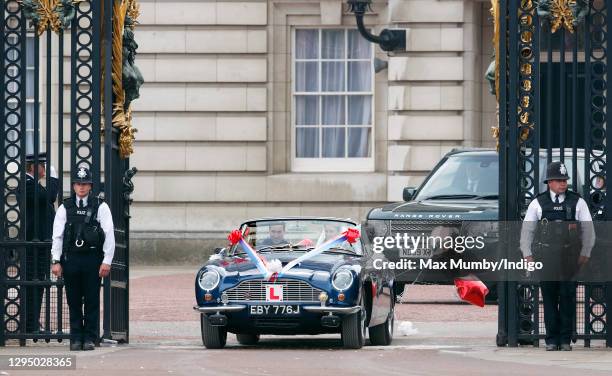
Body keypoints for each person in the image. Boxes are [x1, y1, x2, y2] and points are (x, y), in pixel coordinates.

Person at [520, 161, 595, 351]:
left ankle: (565, 339)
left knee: (568, 296)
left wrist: (585, 252)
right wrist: (527, 254)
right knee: (549, 297)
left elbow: (588, 230)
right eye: (559, 180)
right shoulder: (538, 202)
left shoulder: (577, 201)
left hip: (570, 255)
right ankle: (552, 339)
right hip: (546, 256)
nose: (563, 184)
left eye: (565, 180)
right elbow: (527, 231)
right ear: (549, 182)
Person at [50, 167, 115, 351]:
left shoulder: (100, 206)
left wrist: (107, 260)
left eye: (85, 184)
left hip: (92, 258)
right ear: (73, 186)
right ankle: (76, 337)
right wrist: (56, 260)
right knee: (73, 300)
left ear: (90, 186)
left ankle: (89, 338)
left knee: (92, 299)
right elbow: (58, 236)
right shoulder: (65, 207)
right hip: (71, 259)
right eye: (78, 184)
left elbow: (109, 234)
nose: (81, 188)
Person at [24, 152, 59, 333]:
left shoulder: (34, 185)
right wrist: (53, 178)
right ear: (34, 166)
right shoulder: (27, 185)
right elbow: (50, 197)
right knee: (33, 284)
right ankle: (29, 324)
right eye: (43, 166)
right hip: (32, 245)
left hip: (41, 245)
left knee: (38, 284)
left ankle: (32, 322)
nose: (45, 169)